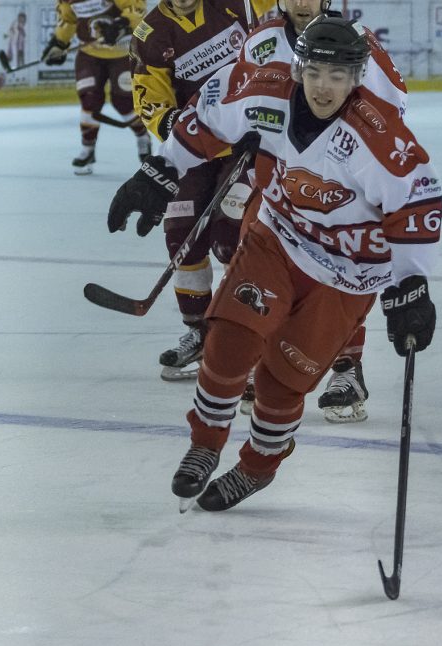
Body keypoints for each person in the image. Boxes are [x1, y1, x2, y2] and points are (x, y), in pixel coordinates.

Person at [107, 16, 442, 511]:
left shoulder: (377, 138)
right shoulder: (265, 91)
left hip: (351, 271)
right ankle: (205, 444)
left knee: (283, 380)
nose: (323, 87)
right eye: (314, 73)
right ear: (298, 68)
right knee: (229, 339)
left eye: (338, 76)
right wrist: (160, 171)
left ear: (356, 78)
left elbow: (418, 207)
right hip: (279, 237)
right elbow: (204, 119)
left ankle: (259, 465)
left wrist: (410, 287)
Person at [236, 0, 409, 422]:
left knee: (343, 268)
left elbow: (395, 108)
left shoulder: (359, 43)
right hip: (277, 177)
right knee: (260, 260)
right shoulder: (260, 40)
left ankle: (347, 370)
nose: (300, 2)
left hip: (340, 182)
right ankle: (269, 360)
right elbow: (237, 102)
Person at [125, 0, 275, 381]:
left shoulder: (237, 2)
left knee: (231, 236)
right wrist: (184, 125)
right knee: (181, 238)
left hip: (249, 140)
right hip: (196, 145)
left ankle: (245, 336)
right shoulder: (150, 34)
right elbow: (152, 104)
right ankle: (200, 332)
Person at [41, 0, 152, 174]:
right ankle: (88, 149)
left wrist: (122, 24)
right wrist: (59, 43)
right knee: (89, 100)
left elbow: (136, 8)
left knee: (124, 103)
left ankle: (142, 136)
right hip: (89, 55)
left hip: (122, 53)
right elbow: (68, 20)